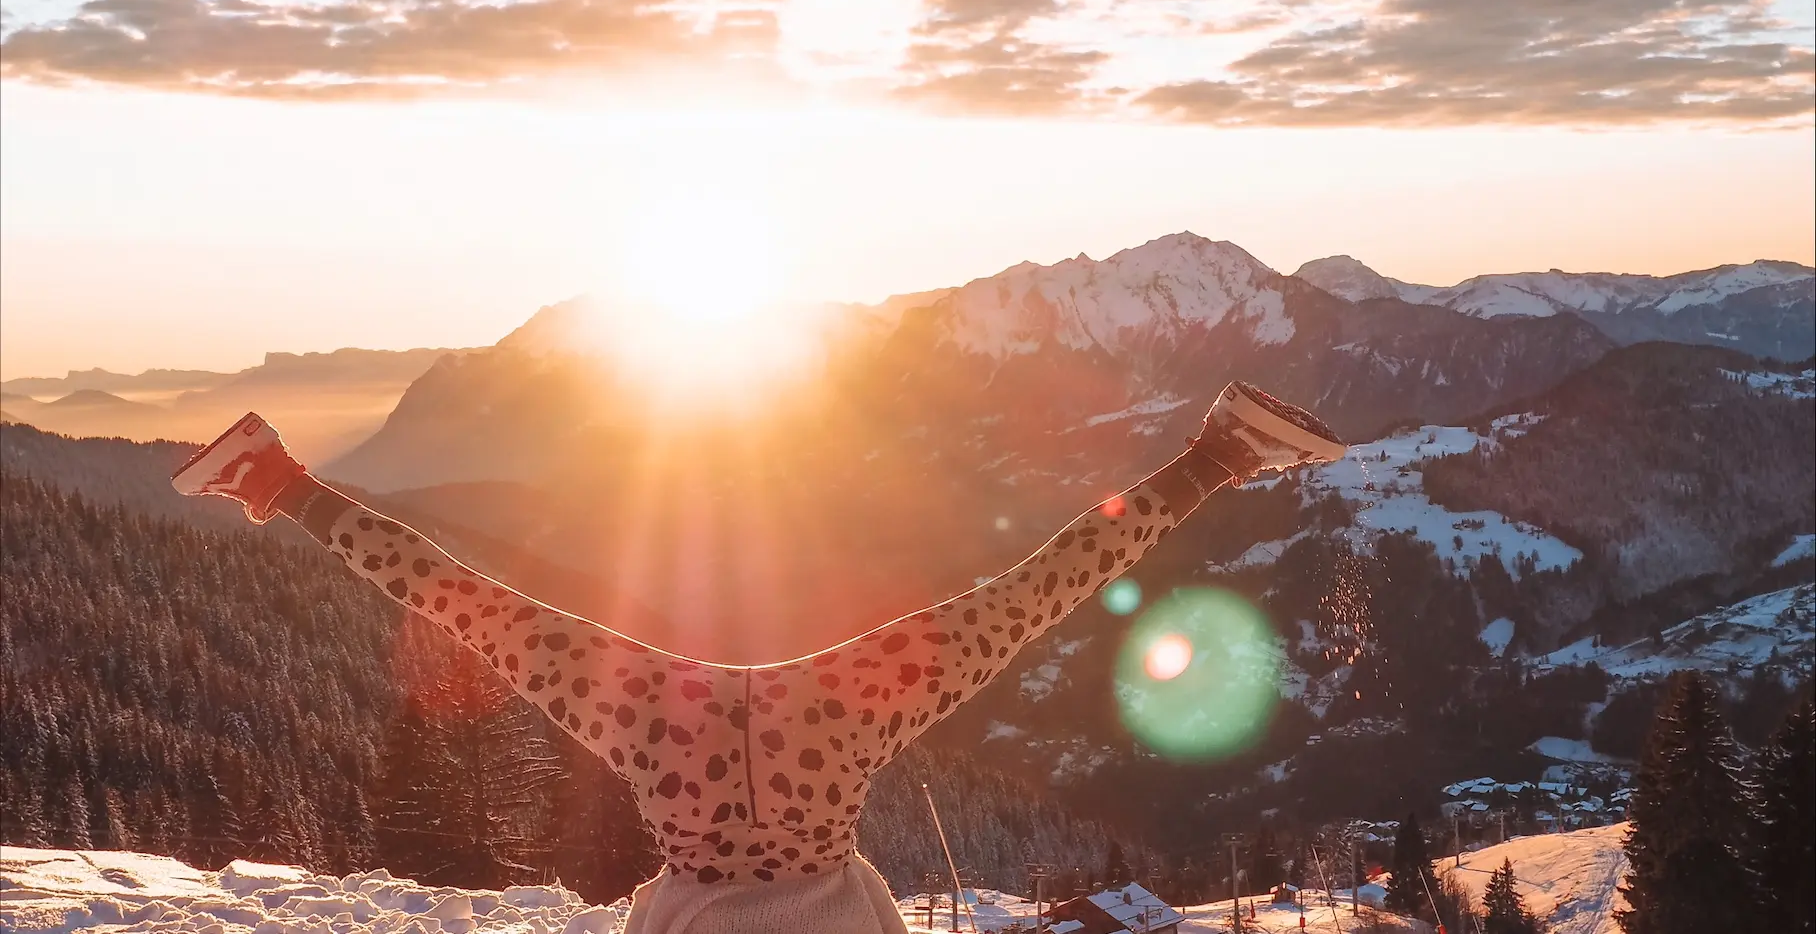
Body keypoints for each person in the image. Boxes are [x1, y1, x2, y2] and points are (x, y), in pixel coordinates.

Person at [172, 381, 1344, 933]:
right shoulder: (679, 732)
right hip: (751, 711)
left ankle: (1217, 452)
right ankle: (272, 475)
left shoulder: (692, 729)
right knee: (476, 605)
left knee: (473, 604)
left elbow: (452, 595)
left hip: (764, 714)